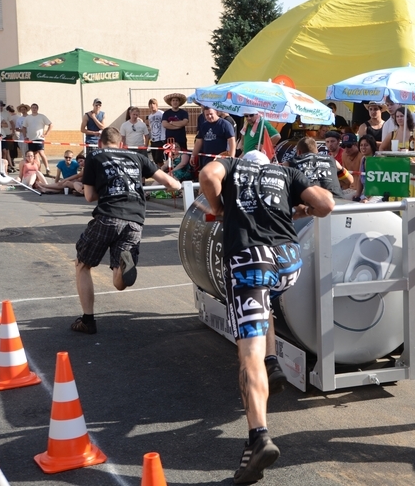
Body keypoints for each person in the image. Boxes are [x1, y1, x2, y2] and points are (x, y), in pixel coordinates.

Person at [199, 149, 334, 484]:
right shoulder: (286, 173)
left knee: (249, 354)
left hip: (251, 261)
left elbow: (207, 175)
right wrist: (302, 209)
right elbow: (326, 204)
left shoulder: (233, 166)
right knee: (265, 303)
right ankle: (273, 362)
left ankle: (258, 436)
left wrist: (219, 208)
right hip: (288, 261)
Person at [73, 127, 181, 334]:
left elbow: (89, 196)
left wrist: (79, 186)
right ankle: (123, 267)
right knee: (119, 282)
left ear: (100, 143)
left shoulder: (95, 155)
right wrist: (178, 185)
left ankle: (87, 321)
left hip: (108, 216)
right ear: (122, 143)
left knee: (82, 264)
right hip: (135, 220)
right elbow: (171, 183)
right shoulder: (137, 157)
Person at [284, 137, 352, 197]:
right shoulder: (331, 160)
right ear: (317, 151)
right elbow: (350, 180)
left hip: (310, 202)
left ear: (299, 152)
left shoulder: (289, 164)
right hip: (336, 199)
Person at [22, 103, 52, 176]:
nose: (34, 109)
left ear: (37, 109)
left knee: (41, 153)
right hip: (31, 139)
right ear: (31, 109)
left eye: (35, 108)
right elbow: (24, 127)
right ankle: (38, 170)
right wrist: (25, 136)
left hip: (39, 138)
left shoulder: (41, 116)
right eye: (33, 108)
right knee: (35, 155)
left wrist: (46, 134)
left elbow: (51, 124)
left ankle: (47, 168)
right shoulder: (28, 117)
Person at [354, 134, 378, 201]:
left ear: (372, 146)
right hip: (365, 193)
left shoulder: (376, 160)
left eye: (366, 145)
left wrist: (367, 199)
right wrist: (357, 195)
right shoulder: (363, 159)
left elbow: (377, 184)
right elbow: (360, 178)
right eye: (361, 145)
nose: (363, 147)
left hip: (376, 194)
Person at [147, 98, 166, 166]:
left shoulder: (161, 113)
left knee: (159, 158)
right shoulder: (150, 116)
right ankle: (158, 169)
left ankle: (163, 169)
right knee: (155, 158)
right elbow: (151, 127)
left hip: (161, 139)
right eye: (150, 104)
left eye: (153, 103)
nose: (152, 105)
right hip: (153, 139)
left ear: (156, 105)